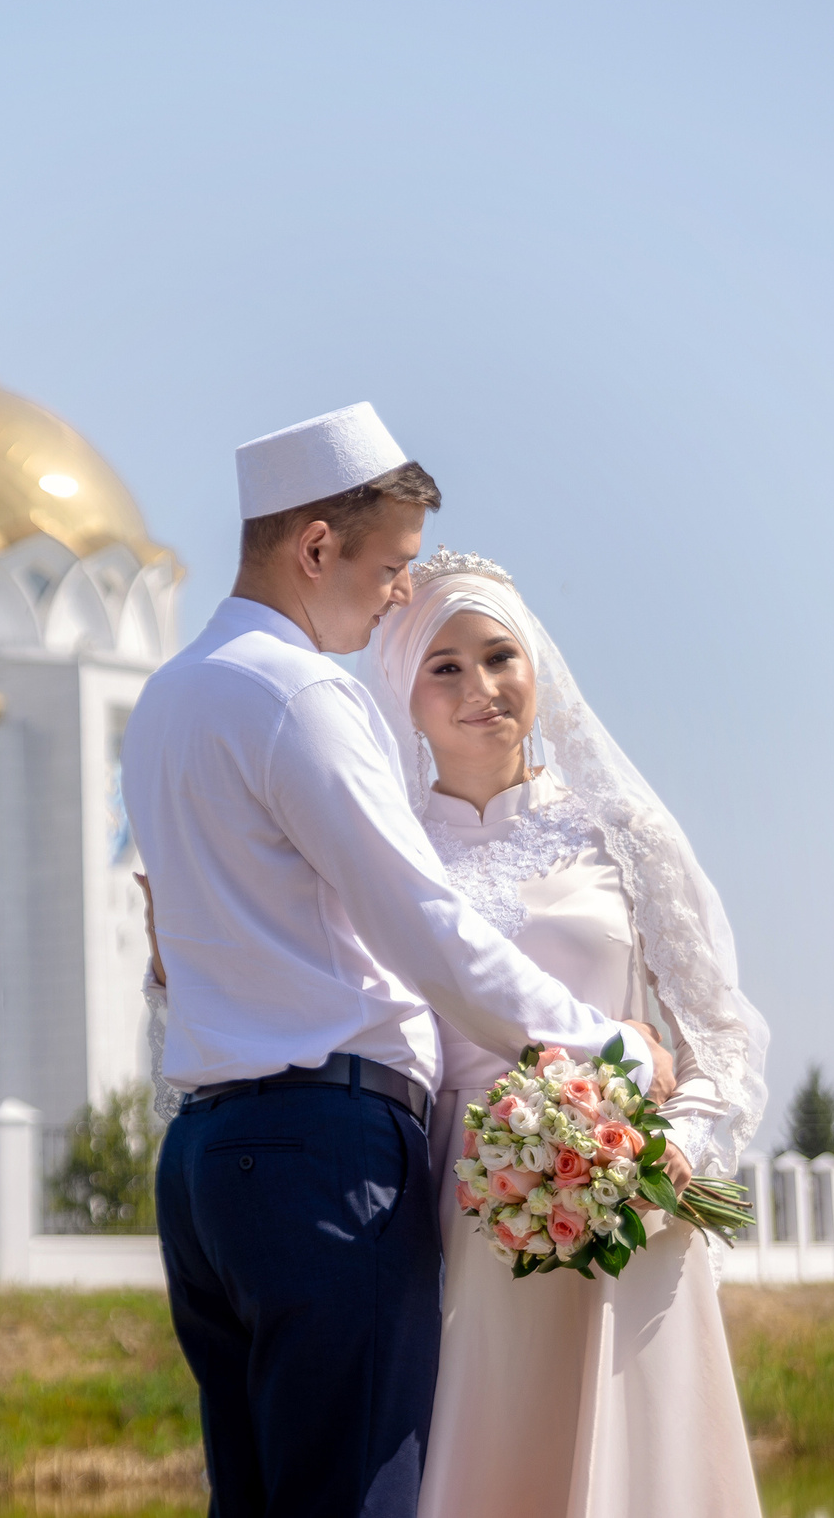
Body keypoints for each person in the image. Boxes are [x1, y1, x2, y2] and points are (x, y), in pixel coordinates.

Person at [120, 401, 674, 1518]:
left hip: (204, 1163)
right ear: (315, 545)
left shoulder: (166, 697)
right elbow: (425, 929)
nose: (395, 598)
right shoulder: (302, 697)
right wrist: (609, 1046)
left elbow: (175, 947)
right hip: (324, 1158)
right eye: (387, 567)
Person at [363, 548, 768, 1518]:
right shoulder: (383, 850)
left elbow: (718, 1026)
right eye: (445, 666)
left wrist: (671, 1148)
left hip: (628, 1202)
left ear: (537, 665)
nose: (481, 687)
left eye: (500, 655)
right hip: (459, 1210)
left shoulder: (619, 831)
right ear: (404, 693)